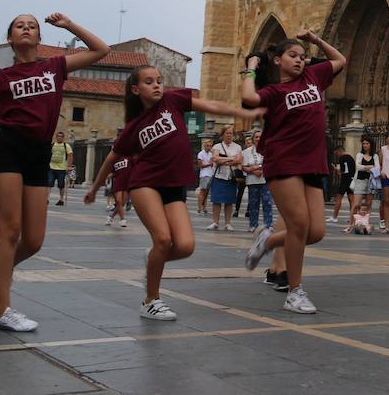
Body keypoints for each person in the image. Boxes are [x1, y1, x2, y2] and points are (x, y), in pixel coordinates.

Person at [0, 14, 109, 332]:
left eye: (32, 25)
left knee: (34, 240)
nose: (26, 28)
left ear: (39, 37)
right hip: (9, 150)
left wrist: (69, 25)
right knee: (11, 231)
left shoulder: (55, 66)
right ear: (12, 38)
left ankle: (1, 272)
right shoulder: (1, 76)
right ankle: (3, 308)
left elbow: (101, 50)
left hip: (38, 154)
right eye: (20, 26)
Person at [85, 65, 261, 320]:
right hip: (145, 183)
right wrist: (94, 188)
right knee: (163, 239)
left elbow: (209, 105)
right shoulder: (134, 126)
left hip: (172, 184)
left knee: (186, 246)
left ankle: (153, 258)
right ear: (136, 90)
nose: (157, 85)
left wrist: (238, 111)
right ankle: (150, 300)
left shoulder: (173, 100)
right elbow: (112, 158)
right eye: (149, 81)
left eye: (159, 80)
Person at [239, 31, 347, 315]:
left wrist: (315, 39)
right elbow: (248, 97)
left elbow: (340, 59)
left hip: (312, 162)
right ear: (277, 60)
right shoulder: (273, 93)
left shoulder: (314, 77)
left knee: (316, 233)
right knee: (298, 226)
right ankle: (295, 292)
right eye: (292, 56)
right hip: (283, 161)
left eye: (302, 57)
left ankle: (267, 240)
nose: (299, 60)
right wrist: (250, 68)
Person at [208, 126, 243, 231]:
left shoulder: (237, 147)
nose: (229, 135)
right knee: (216, 200)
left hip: (231, 177)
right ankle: (215, 222)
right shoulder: (217, 146)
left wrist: (223, 160)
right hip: (219, 176)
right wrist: (231, 159)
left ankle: (228, 223)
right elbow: (215, 159)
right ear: (223, 135)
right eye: (227, 133)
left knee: (229, 201)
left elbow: (239, 160)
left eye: (231, 133)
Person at [242, 129, 273, 232]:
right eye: (256, 137)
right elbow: (244, 167)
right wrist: (253, 170)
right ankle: (253, 224)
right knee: (253, 203)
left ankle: (268, 224)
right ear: (252, 139)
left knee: (267, 202)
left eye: (260, 137)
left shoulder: (268, 150)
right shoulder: (246, 152)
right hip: (252, 180)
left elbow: (271, 164)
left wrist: (261, 169)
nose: (258, 139)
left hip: (265, 180)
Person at [351, 137, 379, 231]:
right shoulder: (359, 154)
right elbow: (358, 167)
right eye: (364, 143)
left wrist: (367, 168)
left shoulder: (375, 156)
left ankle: (365, 223)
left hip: (371, 182)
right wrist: (370, 167)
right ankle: (352, 224)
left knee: (368, 204)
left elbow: (377, 168)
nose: (365, 145)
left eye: (367, 143)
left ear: (371, 145)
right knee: (356, 205)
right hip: (360, 180)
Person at [327, 146, 356, 226]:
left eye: (336, 153)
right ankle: (352, 218)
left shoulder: (343, 158)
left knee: (338, 198)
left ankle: (335, 217)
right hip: (351, 180)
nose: (337, 155)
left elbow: (344, 171)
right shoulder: (351, 158)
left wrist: (337, 170)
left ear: (339, 151)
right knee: (351, 199)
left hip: (345, 181)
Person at [48, 131, 73, 206]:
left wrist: (69, 166)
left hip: (62, 169)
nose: (60, 138)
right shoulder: (52, 145)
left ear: (63, 138)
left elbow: (70, 155)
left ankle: (61, 199)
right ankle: (47, 198)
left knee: (61, 185)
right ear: (56, 137)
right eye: (58, 136)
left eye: (61, 137)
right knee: (49, 183)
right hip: (51, 167)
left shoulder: (66, 146)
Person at [106, 153, 131, 228]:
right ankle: (122, 219)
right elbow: (112, 172)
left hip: (127, 183)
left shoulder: (130, 158)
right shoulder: (114, 160)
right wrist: (108, 176)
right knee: (119, 201)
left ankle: (111, 217)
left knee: (122, 203)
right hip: (118, 183)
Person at [234, 134, 252, 218]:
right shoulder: (243, 153)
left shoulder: (254, 152)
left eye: (250, 143)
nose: (249, 144)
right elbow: (238, 163)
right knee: (239, 193)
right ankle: (236, 210)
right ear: (245, 143)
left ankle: (248, 210)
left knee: (251, 194)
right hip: (243, 175)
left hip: (251, 175)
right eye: (247, 143)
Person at [196, 137, 214, 215]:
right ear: (204, 146)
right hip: (204, 174)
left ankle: (205, 207)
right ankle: (200, 208)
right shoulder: (201, 154)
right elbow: (200, 165)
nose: (209, 147)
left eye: (210, 146)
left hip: (210, 174)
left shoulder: (211, 154)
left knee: (206, 192)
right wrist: (209, 164)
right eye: (207, 145)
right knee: (202, 191)